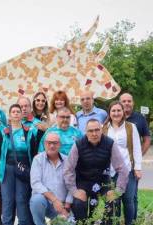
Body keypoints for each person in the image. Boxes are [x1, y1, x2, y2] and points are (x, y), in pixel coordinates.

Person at [64, 119, 129, 224]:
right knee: (78, 203)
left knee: (113, 201)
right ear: (86, 131)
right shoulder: (78, 145)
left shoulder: (110, 143)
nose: (94, 134)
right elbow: (68, 169)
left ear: (101, 130)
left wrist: (117, 191)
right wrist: (74, 191)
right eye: (90, 131)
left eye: (97, 130)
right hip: (83, 181)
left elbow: (122, 169)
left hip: (103, 181)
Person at [102, 101, 142, 225]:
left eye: (119, 110)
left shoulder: (130, 127)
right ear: (109, 113)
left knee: (128, 199)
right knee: (114, 200)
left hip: (127, 169)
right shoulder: (104, 128)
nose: (116, 113)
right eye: (113, 111)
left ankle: (129, 223)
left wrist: (138, 168)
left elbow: (136, 148)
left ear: (123, 112)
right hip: (110, 170)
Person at [0, 104, 38, 225]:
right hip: (6, 169)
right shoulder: (4, 132)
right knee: (7, 200)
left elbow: (34, 152)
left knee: (21, 199)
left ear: (21, 115)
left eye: (18, 111)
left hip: (23, 169)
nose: (16, 113)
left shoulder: (28, 132)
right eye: (13, 112)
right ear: (9, 116)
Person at [119, 93, 151, 221]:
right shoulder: (114, 116)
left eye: (129, 101)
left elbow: (147, 139)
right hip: (116, 164)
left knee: (132, 196)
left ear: (133, 103)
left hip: (132, 164)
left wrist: (138, 157)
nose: (127, 103)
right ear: (119, 103)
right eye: (124, 101)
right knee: (115, 195)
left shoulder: (140, 118)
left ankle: (132, 220)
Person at [30, 133, 72, 225]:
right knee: (37, 200)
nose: (52, 146)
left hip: (62, 206)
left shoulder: (67, 161)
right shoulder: (38, 159)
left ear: (60, 145)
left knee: (69, 223)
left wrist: (67, 207)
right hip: (45, 203)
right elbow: (35, 183)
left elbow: (71, 185)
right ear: (44, 144)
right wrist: (54, 200)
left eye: (55, 143)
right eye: (49, 143)